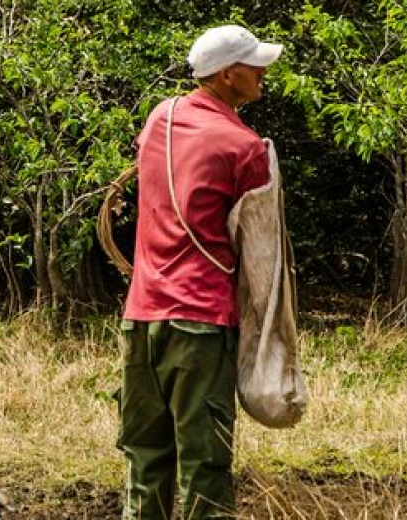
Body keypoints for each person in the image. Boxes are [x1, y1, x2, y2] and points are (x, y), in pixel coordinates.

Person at [116, 24, 281, 519]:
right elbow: (258, 246)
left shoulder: (159, 119)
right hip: (201, 322)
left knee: (145, 460)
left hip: (141, 317)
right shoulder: (245, 146)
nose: (263, 73)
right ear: (229, 75)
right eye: (254, 65)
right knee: (205, 465)